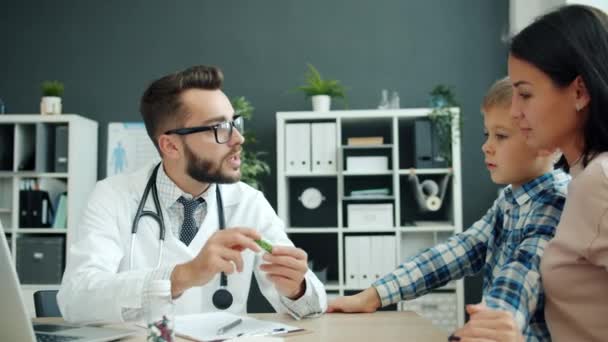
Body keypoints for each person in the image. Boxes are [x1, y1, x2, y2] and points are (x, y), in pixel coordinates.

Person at [58, 65, 327, 322]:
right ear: (171, 146)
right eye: (218, 128)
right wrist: (182, 276)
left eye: (235, 123)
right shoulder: (113, 196)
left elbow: (313, 306)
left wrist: (297, 288)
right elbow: (75, 298)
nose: (237, 139)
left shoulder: (248, 203)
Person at [327, 77, 570, 341]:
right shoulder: (510, 199)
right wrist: (373, 295)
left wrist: (490, 323)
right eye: (487, 134)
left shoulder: (555, 201)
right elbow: (459, 251)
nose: (486, 146)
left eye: (500, 136)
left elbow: (522, 275)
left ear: (549, 143)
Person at [454, 5, 608, 342]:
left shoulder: (600, 182)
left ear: (579, 92)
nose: (514, 111)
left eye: (524, 94)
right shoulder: (582, 179)